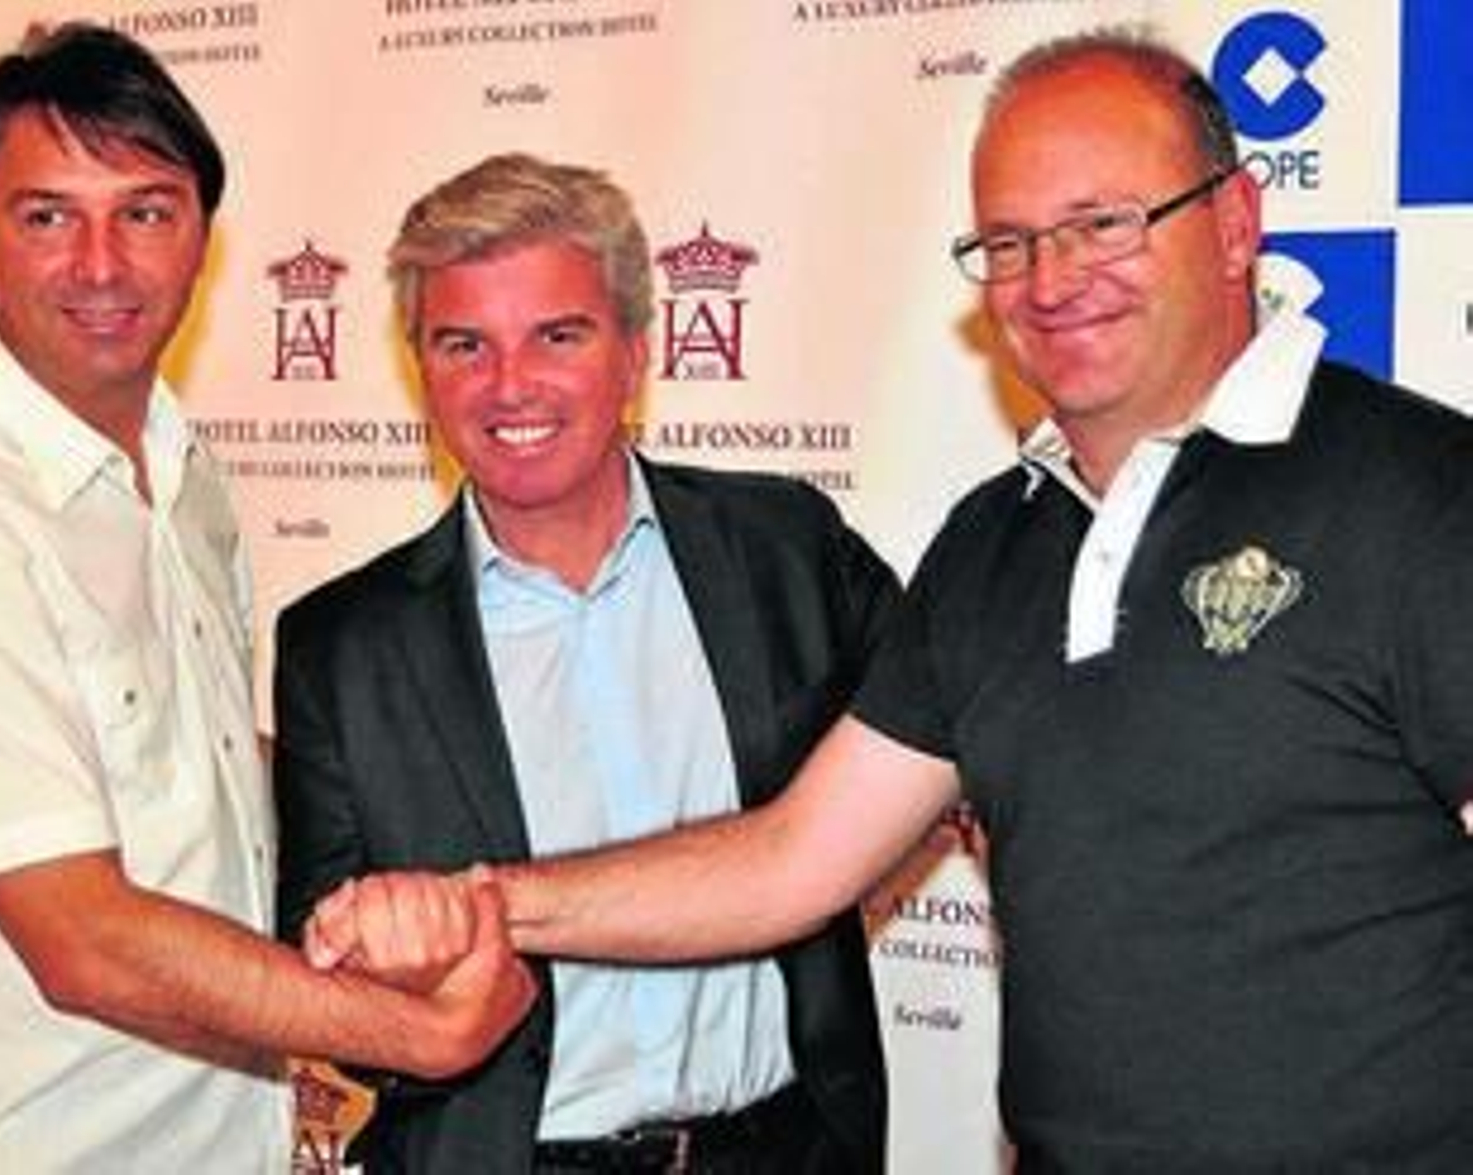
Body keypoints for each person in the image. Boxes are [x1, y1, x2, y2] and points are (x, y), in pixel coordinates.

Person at [308, 30, 1473, 1172]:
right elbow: (791, 861)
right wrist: (480, 901)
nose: (1053, 279)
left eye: (1104, 223)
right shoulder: (991, 543)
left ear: (1233, 223)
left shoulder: (1423, 494)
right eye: (1009, 243)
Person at [0, 24, 533, 1173]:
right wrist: (416, 1030)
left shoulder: (185, 470)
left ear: (200, 240)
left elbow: (205, 769)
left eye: (145, 210)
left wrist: (439, 848)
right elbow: (82, 937)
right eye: (46, 217)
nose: (100, 263)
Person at [273, 152, 896, 1174]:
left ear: (637, 350)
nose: (509, 384)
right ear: (417, 365)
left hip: (786, 1148)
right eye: (463, 344)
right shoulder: (340, 646)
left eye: (557, 335)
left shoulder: (785, 547)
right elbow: (328, 981)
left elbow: (958, 738)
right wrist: (395, 969)